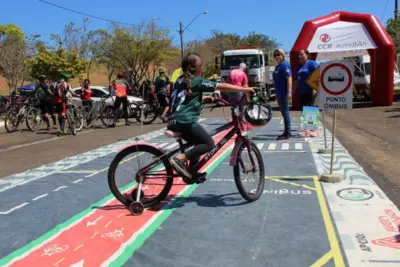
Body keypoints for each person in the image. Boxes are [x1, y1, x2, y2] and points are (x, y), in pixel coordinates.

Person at [168, 52, 255, 182]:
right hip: (185, 121)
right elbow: (222, 86)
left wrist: (204, 99)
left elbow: (184, 99)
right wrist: (244, 90)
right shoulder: (196, 80)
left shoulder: (181, 80)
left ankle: (191, 172)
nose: (202, 69)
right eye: (201, 66)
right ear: (196, 68)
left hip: (174, 120)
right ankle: (179, 160)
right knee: (209, 143)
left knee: (198, 143)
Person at [273, 48, 292, 140]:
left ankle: (288, 133)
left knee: (286, 113)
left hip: (284, 93)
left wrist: (289, 92)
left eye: (278, 54)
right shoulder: (278, 66)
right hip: (279, 94)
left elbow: (289, 79)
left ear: (283, 55)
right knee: (283, 114)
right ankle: (286, 131)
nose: (277, 56)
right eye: (275, 55)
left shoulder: (285, 65)